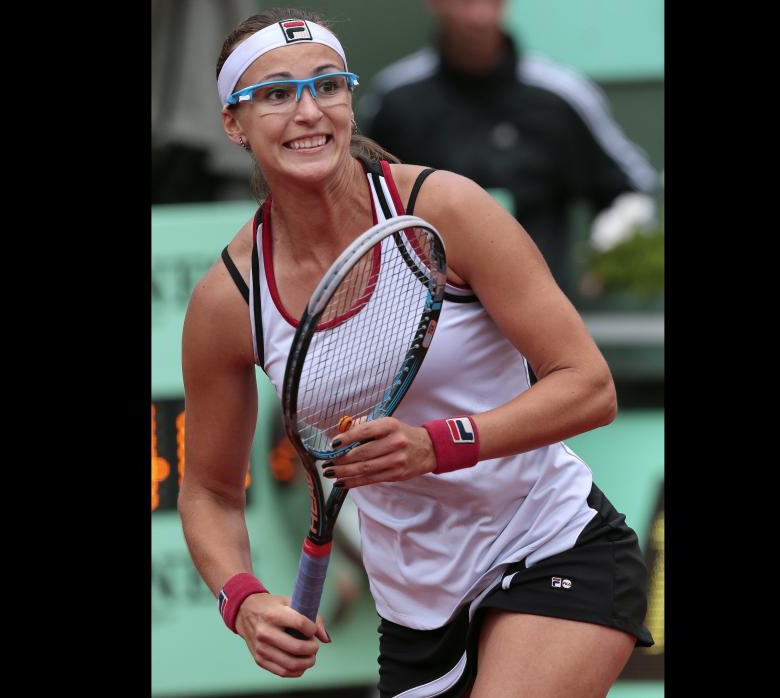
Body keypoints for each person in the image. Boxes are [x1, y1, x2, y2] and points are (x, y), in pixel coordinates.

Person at [178, 7, 653, 697]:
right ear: (233, 123)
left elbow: (588, 387)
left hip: (553, 544)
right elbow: (211, 492)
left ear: (349, 100)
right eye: (276, 94)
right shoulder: (227, 300)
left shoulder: (446, 208)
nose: (308, 112)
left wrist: (439, 445)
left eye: (327, 86)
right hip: (416, 612)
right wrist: (243, 599)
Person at [357, 0, 658, 293]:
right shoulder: (395, 100)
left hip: (544, 312)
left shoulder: (561, 94)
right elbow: (359, 200)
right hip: (428, 319)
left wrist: (608, 248)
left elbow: (629, 185)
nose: (477, 14)